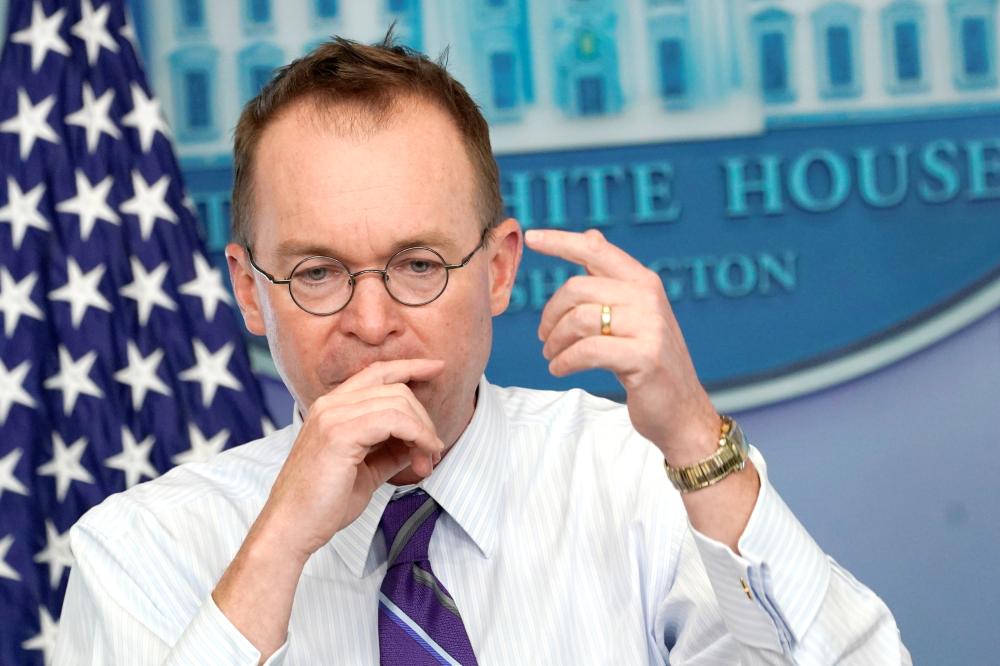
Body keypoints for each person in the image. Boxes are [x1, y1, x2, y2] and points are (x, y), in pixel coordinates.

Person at [55, 35, 910, 664]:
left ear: (499, 270)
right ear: (250, 292)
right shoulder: (139, 547)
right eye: (317, 273)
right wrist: (277, 545)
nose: (373, 320)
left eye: (418, 264)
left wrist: (691, 435)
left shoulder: (632, 481)